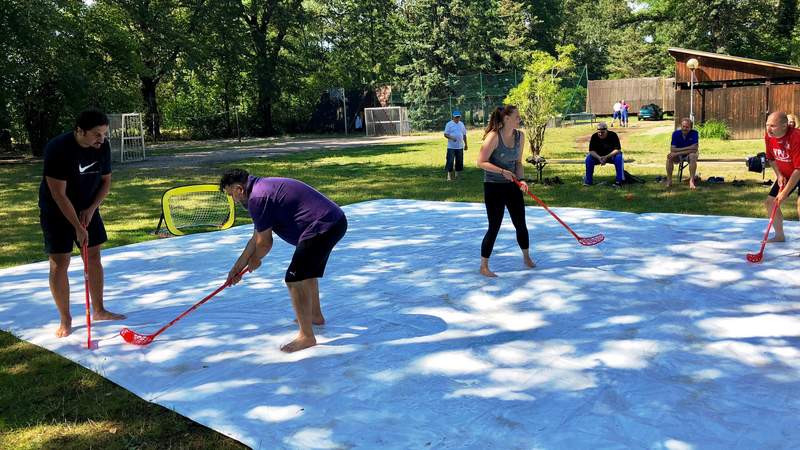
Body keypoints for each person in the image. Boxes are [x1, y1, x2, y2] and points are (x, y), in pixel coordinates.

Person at [221, 169, 348, 353]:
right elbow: (256, 238)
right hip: (333, 221)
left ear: (239, 189)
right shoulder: (260, 189)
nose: (234, 200)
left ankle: (306, 337)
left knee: (294, 279)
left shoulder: (257, 198)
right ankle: (315, 315)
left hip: (323, 226)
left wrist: (255, 260)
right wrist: (237, 267)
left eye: (231, 195)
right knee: (306, 273)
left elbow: (264, 243)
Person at [38, 109, 125, 337]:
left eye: (104, 134)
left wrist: (90, 209)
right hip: (57, 211)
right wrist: (77, 226)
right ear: (80, 131)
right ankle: (65, 320)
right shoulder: (58, 148)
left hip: (88, 207)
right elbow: (58, 194)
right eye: (97, 134)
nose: (102, 139)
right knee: (59, 263)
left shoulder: (101, 147)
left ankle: (99, 310)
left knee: (94, 256)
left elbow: (106, 182)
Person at [476, 105, 534, 277]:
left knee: (520, 223)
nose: (520, 118)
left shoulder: (520, 136)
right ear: (506, 119)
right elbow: (480, 162)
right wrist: (502, 171)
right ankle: (484, 266)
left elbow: (518, 162)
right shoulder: (493, 137)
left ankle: (526, 257)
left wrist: (522, 180)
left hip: (512, 185)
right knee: (494, 226)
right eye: (517, 116)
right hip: (494, 186)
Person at [763, 112, 800, 243]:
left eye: (773, 125)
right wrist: (779, 174)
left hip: (798, 171)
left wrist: (784, 192)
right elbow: (771, 158)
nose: (768, 129)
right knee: (770, 203)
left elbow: (798, 169)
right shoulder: (769, 136)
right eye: (767, 125)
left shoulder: (796, 137)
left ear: (785, 126)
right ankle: (779, 236)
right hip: (788, 173)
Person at [584, 122, 624, 187]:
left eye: (602, 132)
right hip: (598, 157)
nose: (600, 134)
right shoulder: (594, 136)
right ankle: (588, 182)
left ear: (606, 130)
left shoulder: (613, 135)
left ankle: (619, 182)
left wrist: (606, 157)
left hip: (611, 156)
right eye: (599, 132)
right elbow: (591, 151)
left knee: (619, 157)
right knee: (588, 159)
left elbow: (618, 149)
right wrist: (599, 158)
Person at [665, 118, 700, 189]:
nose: (684, 128)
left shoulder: (694, 133)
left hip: (689, 154)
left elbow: (694, 149)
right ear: (681, 126)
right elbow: (672, 149)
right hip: (679, 154)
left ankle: (692, 181)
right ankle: (669, 180)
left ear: (690, 127)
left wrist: (677, 153)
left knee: (693, 156)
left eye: (687, 127)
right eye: (683, 126)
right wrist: (689, 147)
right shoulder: (675, 134)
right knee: (670, 157)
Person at [444, 110, 468, 181]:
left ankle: (457, 175)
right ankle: (449, 176)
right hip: (451, 147)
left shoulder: (461, 124)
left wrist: (466, 144)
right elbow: (445, 134)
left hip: (460, 147)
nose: (457, 118)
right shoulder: (449, 124)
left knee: (459, 161)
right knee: (450, 161)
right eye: (456, 117)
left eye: (458, 117)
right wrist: (451, 138)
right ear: (453, 117)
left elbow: (464, 135)